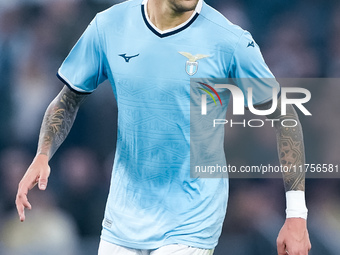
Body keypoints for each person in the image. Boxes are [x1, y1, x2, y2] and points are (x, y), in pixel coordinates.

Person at [16, 0, 312, 254]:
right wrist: (43, 154)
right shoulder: (108, 26)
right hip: (123, 217)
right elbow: (67, 100)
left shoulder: (229, 41)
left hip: (192, 219)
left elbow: (285, 116)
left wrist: (296, 214)